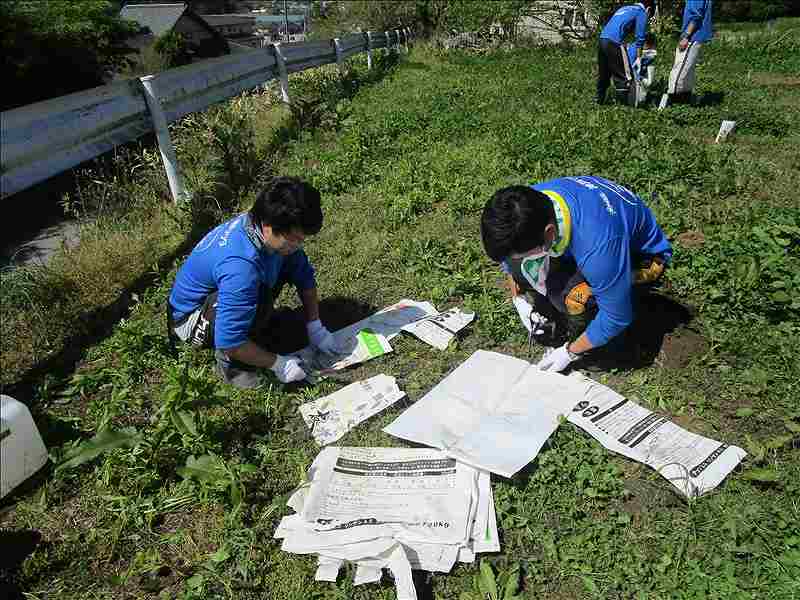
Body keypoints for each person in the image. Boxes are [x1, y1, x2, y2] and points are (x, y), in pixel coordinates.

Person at [481, 176, 673, 373]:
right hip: (586, 238)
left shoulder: (600, 249)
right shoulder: (525, 205)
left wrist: (570, 352)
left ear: (549, 235)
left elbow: (617, 317)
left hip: (642, 258)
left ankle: (600, 347)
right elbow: (508, 259)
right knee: (518, 265)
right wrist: (518, 297)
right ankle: (553, 302)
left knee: (571, 296)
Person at [167, 177, 339, 388]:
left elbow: (304, 275)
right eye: (294, 238)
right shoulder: (240, 266)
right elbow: (230, 341)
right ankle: (232, 366)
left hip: (229, 293)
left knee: (279, 268)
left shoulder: (268, 228)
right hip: (191, 320)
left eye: (301, 239)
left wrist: (315, 325)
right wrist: (279, 365)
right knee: (255, 296)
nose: (297, 244)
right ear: (268, 226)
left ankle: (256, 328)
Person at [597, 2, 653, 105]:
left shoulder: (625, 8)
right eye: (649, 17)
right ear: (648, 9)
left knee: (604, 74)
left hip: (602, 39)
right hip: (614, 42)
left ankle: (598, 101)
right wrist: (639, 58)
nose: (647, 20)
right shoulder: (641, 12)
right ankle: (625, 107)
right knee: (625, 77)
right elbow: (640, 37)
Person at [663, 0, 713, 106]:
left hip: (692, 37)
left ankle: (670, 101)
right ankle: (685, 102)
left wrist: (686, 35)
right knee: (687, 72)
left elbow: (696, 16)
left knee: (680, 69)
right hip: (695, 36)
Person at [626, 33, 658, 107]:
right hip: (630, 73)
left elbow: (648, 65)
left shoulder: (649, 51)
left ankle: (644, 97)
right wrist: (638, 77)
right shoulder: (633, 50)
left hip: (640, 73)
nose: (650, 50)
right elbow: (630, 67)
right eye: (649, 47)